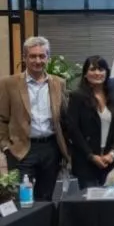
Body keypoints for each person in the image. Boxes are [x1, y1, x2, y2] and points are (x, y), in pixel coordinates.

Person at [0, 36, 69, 201]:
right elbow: (1, 118)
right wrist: (6, 147)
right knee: (22, 200)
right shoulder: (8, 83)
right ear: (24, 57)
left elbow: (65, 118)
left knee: (45, 199)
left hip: (51, 149)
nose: (37, 61)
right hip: (21, 150)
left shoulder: (59, 83)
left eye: (42, 56)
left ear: (48, 57)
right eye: (33, 56)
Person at [62, 56, 114, 189]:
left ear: (107, 72)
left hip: (111, 160)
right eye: (92, 69)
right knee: (90, 199)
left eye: (101, 69)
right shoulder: (77, 97)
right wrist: (91, 156)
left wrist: (113, 153)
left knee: (112, 199)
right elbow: (73, 129)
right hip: (86, 161)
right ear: (85, 74)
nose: (97, 73)